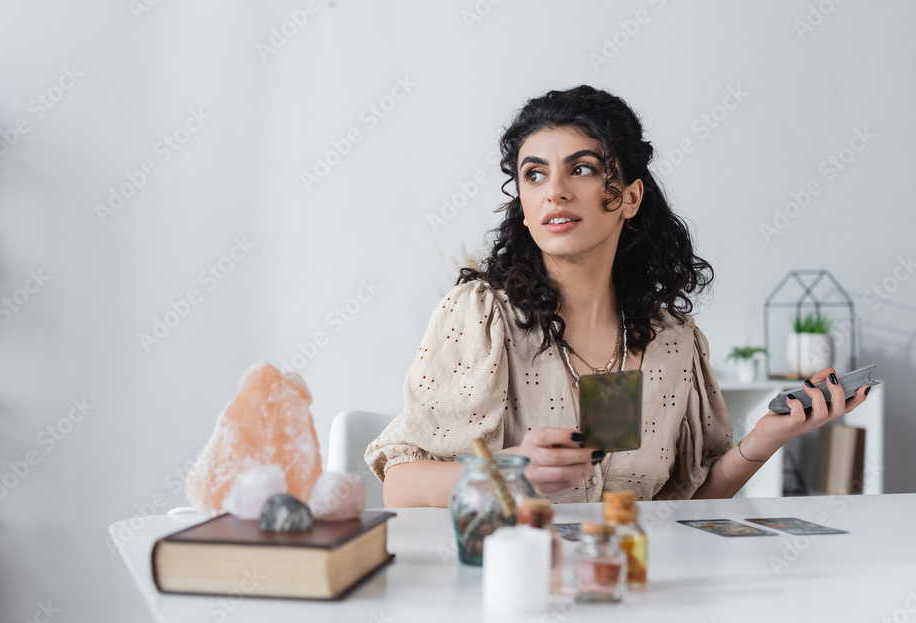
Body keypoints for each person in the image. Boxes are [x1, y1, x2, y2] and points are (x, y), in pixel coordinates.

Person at [364, 85, 872, 508]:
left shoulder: (674, 340)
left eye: (581, 168)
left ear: (629, 196)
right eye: (534, 174)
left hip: (632, 582)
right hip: (510, 584)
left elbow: (681, 510)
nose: (555, 191)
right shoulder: (479, 317)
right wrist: (509, 471)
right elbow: (401, 487)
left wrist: (765, 440)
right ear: (521, 201)